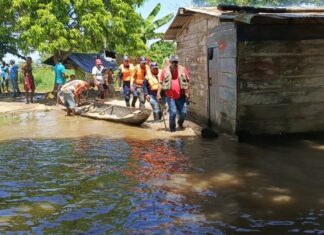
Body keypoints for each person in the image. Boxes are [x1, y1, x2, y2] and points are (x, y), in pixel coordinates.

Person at [157, 55, 190, 132]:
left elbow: (188, 82)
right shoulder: (165, 71)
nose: (174, 64)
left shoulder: (183, 70)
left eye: (176, 62)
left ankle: (180, 123)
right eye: (173, 62)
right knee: (173, 113)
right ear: (170, 62)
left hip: (181, 96)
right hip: (170, 96)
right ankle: (172, 129)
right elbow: (160, 83)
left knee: (183, 113)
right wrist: (158, 94)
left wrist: (188, 93)